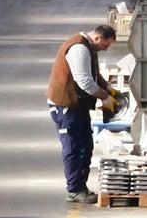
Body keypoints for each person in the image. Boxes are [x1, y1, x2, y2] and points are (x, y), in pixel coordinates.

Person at [46, 24, 118, 203]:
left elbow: (93, 74)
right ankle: (74, 190)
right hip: (65, 106)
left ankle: (80, 186)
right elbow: (85, 81)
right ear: (97, 38)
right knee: (73, 147)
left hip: (78, 105)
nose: (105, 49)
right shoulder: (79, 48)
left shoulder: (89, 47)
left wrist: (109, 88)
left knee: (85, 144)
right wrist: (104, 97)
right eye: (105, 45)